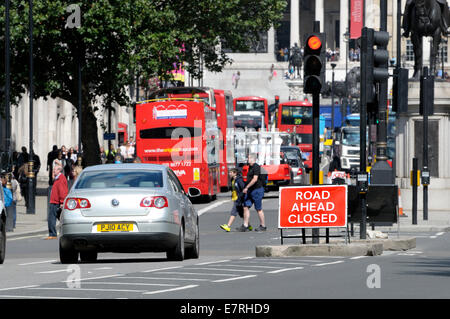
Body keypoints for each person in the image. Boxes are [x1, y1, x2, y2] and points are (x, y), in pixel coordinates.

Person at [237, 154, 266, 232]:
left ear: (253, 159)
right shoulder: (250, 167)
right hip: (250, 190)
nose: (247, 159)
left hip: (257, 190)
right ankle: (245, 225)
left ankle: (263, 225)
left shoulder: (256, 167)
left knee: (258, 209)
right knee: (245, 206)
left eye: (249, 158)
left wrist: (247, 187)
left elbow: (255, 179)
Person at [47, 165, 68, 240]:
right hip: (54, 201)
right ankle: (54, 233)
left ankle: (53, 234)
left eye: (55, 170)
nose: (53, 171)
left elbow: (62, 191)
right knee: (55, 218)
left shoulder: (61, 178)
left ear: (59, 170)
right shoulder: (57, 178)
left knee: (51, 219)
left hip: (56, 202)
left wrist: (62, 202)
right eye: (53, 170)